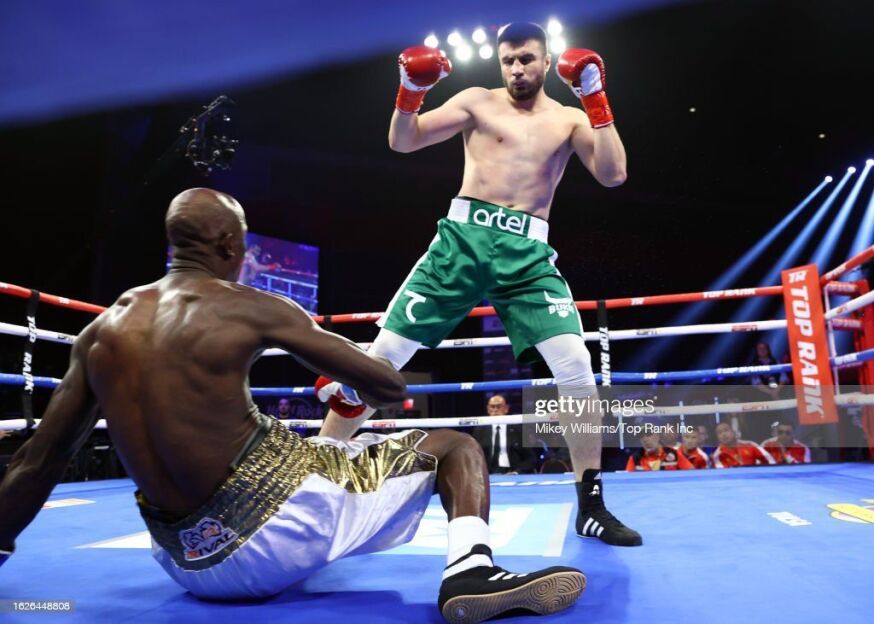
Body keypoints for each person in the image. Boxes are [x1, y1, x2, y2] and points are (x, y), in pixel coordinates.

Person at [0, 189, 584, 623]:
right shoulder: (250, 305)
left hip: (186, 565)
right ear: (230, 245)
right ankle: (471, 571)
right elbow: (386, 386)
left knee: (333, 453)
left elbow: (37, 462)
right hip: (274, 540)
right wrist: (343, 383)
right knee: (455, 446)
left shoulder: (100, 334)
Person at [317, 22, 640, 547]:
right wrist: (410, 91)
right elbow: (404, 140)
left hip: (527, 254)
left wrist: (595, 98)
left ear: (546, 60)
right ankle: (315, 480)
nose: (517, 69)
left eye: (527, 59)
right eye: (508, 60)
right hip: (462, 243)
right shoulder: (476, 101)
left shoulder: (569, 118)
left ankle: (591, 504)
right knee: (382, 360)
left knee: (576, 367)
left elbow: (613, 174)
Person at [472, 394, 535, 474]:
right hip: (488, 474)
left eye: (499, 406)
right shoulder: (480, 430)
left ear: (506, 409)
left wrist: (517, 472)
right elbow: (473, 456)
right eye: (492, 407)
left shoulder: (518, 429)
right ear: (488, 409)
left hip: (513, 473)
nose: (495, 410)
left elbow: (530, 458)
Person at [625, 428, 692, 471]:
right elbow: (627, 482)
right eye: (641, 436)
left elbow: (691, 472)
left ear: (658, 436)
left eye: (649, 434)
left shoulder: (673, 453)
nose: (645, 439)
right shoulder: (635, 458)